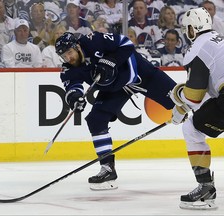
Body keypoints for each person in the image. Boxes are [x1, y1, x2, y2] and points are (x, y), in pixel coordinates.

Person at [55, 31, 176, 190]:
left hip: (143, 74)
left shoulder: (93, 40)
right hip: (115, 89)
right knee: (95, 119)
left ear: (77, 46)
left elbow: (126, 44)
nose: (68, 58)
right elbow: (72, 86)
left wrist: (110, 60)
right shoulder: (69, 68)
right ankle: (107, 169)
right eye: (64, 56)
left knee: (183, 101)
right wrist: (74, 98)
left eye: (69, 53)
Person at [169, 7, 224, 210]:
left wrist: (179, 102)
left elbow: (194, 96)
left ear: (191, 29)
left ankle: (205, 188)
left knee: (191, 129)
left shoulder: (197, 47)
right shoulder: (219, 39)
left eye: (187, 29)